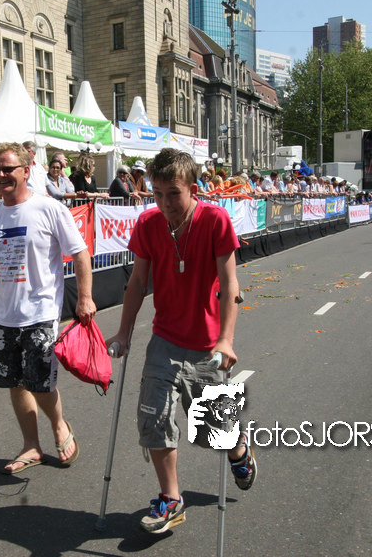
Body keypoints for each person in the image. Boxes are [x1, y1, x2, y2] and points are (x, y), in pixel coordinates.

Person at [105, 147, 255, 535]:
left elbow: (230, 284)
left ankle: (238, 449)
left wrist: (226, 340)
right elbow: (138, 282)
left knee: (212, 433)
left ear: (193, 189)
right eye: (157, 194)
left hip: (207, 345)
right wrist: (123, 332)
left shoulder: (215, 220)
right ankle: (171, 499)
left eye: (173, 193)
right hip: (165, 340)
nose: (165, 203)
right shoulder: (148, 224)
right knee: (153, 418)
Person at [0, 142, 95, 476]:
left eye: (7, 169)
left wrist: (85, 297)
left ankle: (59, 425)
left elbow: (80, 253)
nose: (0, 175)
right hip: (3, 315)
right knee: (15, 382)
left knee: (39, 382)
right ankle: (31, 446)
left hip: (41, 311)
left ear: (26, 171)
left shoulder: (49, 209)